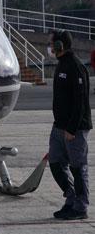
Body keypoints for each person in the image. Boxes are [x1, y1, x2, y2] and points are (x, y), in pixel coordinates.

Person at [48, 30, 92, 220]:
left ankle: (80, 207)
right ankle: (71, 198)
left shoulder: (75, 67)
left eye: (52, 44)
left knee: (77, 166)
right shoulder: (61, 65)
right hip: (59, 126)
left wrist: (71, 129)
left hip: (74, 129)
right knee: (56, 163)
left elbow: (80, 102)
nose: (50, 48)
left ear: (60, 46)